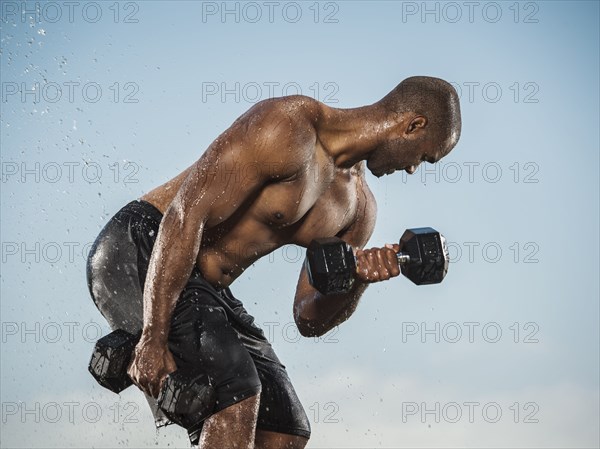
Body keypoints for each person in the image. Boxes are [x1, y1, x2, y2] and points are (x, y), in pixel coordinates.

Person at [86, 76, 461, 448]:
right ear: (414, 125)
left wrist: (358, 278)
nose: (415, 169)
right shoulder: (288, 126)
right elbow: (185, 214)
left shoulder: (357, 210)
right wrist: (153, 335)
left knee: (284, 431)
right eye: (425, 157)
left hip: (205, 287)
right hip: (141, 244)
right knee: (235, 393)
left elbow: (308, 318)